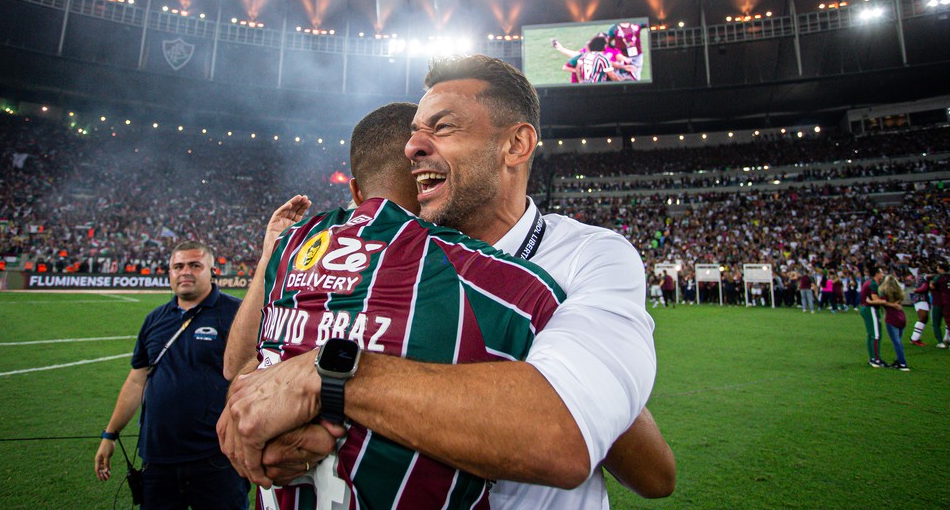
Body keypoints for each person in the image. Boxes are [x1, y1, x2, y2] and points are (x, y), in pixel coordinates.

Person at [222, 55, 660, 509]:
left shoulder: (586, 257)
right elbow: (253, 371)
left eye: (443, 127)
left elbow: (601, 450)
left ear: (516, 145)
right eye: (414, 132)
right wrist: (267, 413)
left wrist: (330, 375)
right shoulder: (381, 266)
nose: (412, 147)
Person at [95, 241, 249, 509]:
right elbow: (136, 380)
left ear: (213, 271)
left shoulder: (237, 313)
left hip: (218, 456)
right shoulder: (155, 319)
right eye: (178, 266)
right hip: (158, 459)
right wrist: (110, 434)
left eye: (195, 265)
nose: (185, 272)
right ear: (169, 272)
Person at [859, 267, 892, 368]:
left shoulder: (869, 283)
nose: (882, 274)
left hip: (866, 308)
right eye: (881, 272)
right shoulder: (872, 284)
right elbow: (875, 299)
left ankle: (873, 358)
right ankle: (876, 359)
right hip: (870, 309)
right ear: (876, 274)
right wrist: (887, 302)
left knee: (871, 335)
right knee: (876, 335)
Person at [878, 274, 910, 371]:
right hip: (902, 317)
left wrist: (891, 305)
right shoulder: (899, 293)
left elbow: (882, 302)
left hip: (891, 318)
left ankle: (903, 363)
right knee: (899, 342)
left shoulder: (885, 293)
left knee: (897, 342)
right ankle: (899, 360)